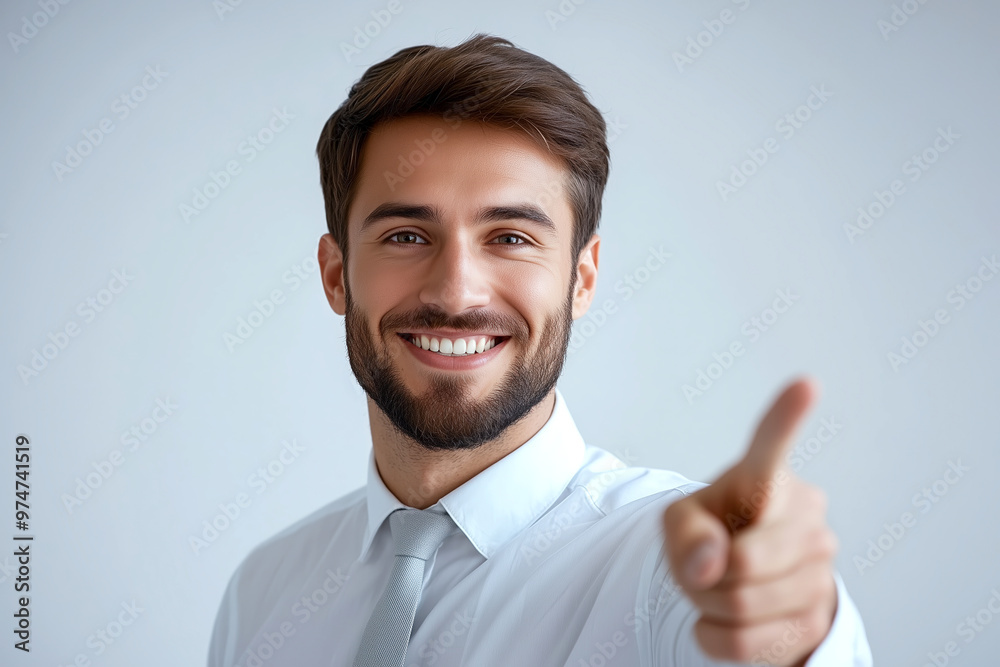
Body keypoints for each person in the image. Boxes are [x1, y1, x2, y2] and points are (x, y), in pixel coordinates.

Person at [207, 33, 872, 666]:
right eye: (407, 235)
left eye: (511, 238)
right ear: (335, 274)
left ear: (581, 278)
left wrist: (791, 628)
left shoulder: (672, 571)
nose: (457, 291)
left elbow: (758, 632)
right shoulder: (262, 594)